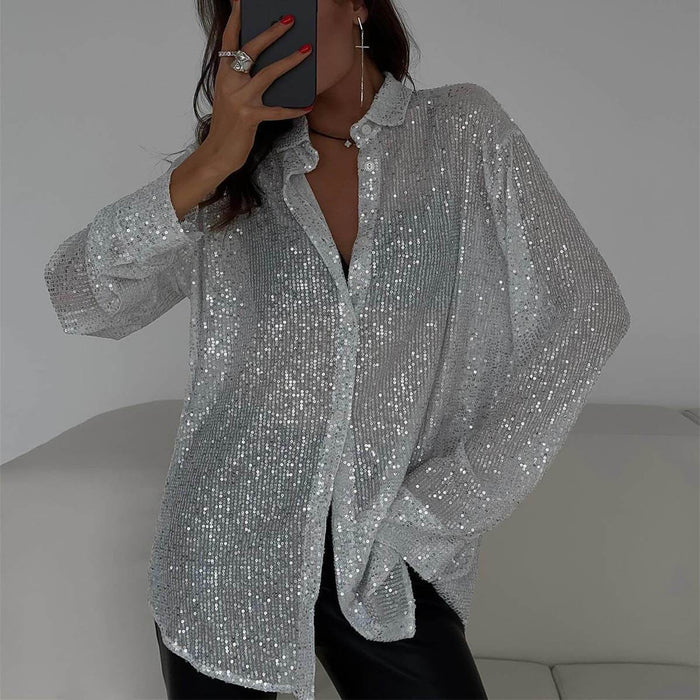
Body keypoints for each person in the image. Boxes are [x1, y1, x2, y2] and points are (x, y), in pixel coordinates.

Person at [43, 0, 631, 698]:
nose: (273, 23)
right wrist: (211, 160)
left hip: (383, 548)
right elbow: (78, 299)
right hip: (225, 551)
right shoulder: (232, 173)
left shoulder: (462, 130)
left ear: (355, 4)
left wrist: (444, 501)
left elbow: (589, 312)